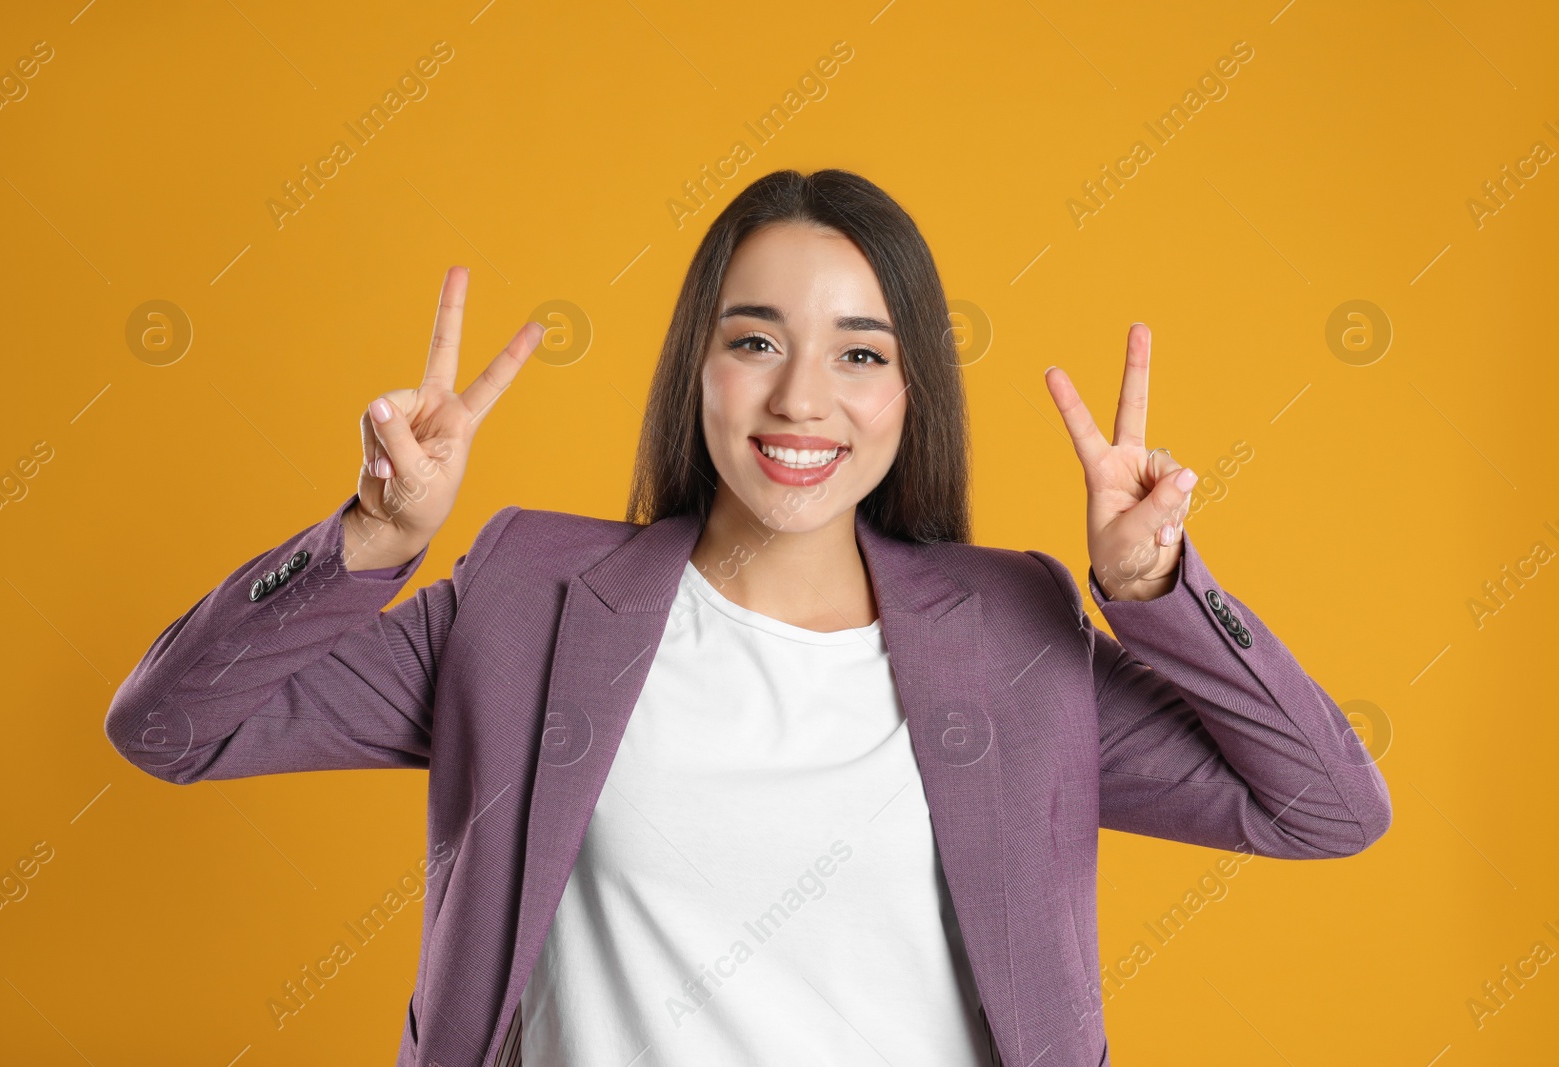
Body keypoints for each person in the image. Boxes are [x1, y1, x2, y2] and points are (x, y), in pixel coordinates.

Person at [106, 169, 1392, 1067]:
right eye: (755, 339)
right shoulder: (527, 599)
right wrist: (372, 540)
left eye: (860, 352)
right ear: (697, 369)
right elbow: (170, 727)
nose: (801, 399)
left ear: (909, 393)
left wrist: (1153, 589)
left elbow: (1326, 807)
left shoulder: (1012, 636)